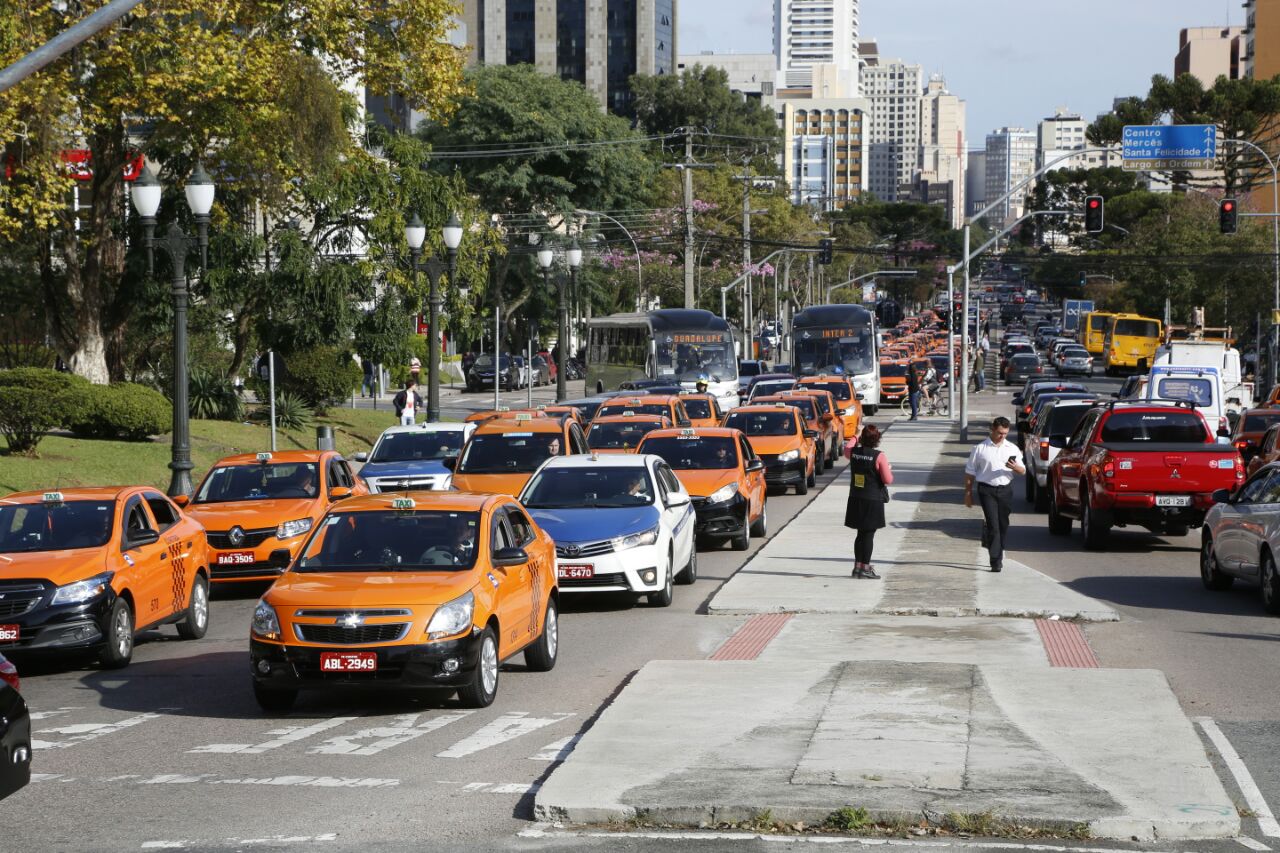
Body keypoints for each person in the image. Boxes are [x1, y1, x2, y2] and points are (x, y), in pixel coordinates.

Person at [964, 416, 1024, 572]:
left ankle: (997, 548)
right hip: (986, 490)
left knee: (1003, 524)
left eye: (1005, 433)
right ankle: (995, 561)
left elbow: (1023, 471)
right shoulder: (980, 449)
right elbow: (970, 473)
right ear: (992, 429)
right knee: (993, 525)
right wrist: (968, 493)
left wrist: (1015, 467)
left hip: (1005, 489)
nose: (1002, 436)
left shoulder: (1012, 448)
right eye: (999, 433)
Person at [843, 424, 892, 579]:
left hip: (856, 498)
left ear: (863, 438)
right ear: (877, 439)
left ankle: (857, 567)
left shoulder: (854, 453)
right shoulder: (879, 456)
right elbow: (888, 479)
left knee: (860, 534)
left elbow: (846, 449)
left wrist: (856, 435)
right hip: (872, 499)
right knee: (868, 535)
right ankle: (865, 567)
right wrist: (889, 468)